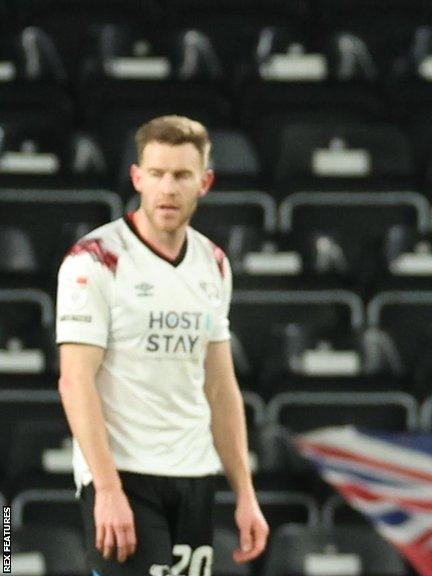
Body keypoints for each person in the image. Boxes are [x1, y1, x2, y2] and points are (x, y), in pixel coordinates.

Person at [56, 115, 269, 576]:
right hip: (124, 476)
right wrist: (107, 489)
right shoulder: (94, 259)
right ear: (137, 178)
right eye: (156, 174)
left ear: (205, 182)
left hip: (194, 476)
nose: (167, 188)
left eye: (181, 175)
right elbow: (75, 381)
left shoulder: (212, 263)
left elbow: (219, 385)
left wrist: (245, 493)